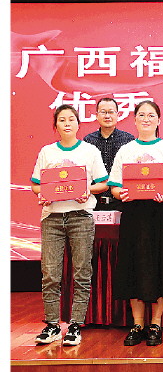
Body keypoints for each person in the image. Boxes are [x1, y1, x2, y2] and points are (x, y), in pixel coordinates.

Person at [108, 100, 163, 347]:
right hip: (133, 214)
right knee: (133, 266)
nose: (146, 119)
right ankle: (137, 324)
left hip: (159, 214)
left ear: (159, 120)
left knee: (161, 266)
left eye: (151, 115)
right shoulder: (126, 150)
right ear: (134, 120)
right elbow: (114, 186)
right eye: (141, 115)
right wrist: (120, 193)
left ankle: (155, 323)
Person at [30, 105, 109, 346]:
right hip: (52, 218)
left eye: (71, 119)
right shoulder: (47, 152)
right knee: (50, 274)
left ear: (78, 124)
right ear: (55, 125)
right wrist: (43, 194)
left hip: (80, 217)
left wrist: (86, 190)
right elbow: (36, 184)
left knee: (82, 272)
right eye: (62, 120)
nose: (67, 123)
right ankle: (52, 325)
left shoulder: (90, 151)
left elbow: (103, 183)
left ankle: (75, 325)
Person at [83, 97, 134, 210]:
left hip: (122, 202)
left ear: (118, 115)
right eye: (103, 112)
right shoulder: (88, 141)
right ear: (97, 115)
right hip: (94, 202)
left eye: (111, 112)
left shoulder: (128, 140)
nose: (107, 116)